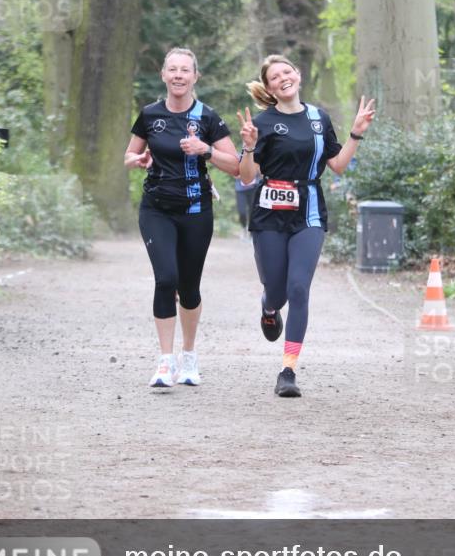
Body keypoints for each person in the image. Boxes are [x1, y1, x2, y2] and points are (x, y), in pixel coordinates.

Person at [237, 54, 375, 398]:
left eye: (287, 71)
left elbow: (339, 166)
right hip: (269, 213)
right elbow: (247, 176)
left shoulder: (318, 118)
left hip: (309, 211)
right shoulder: (263, 122)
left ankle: (288, 371)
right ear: (269, 88)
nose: (283, 78)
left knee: (298, 289)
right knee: (279, 291)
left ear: (297, 75)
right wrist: (249, 146)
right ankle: (269, 308)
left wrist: (356, 133)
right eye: (275, 77)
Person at [125, 48, 239, 389]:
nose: (178, 75)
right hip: (156, 208)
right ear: (163, 75)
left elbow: (235, 165)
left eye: (184, 70)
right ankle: (165, 361)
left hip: (195, 210)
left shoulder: (208, 117)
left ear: (194, 77)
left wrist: (206, 150)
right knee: (165, 279)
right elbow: (130, 153)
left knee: (189, 287)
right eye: (172, 70)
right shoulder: (149, 114)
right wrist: (137, 159)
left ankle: (189, 356)